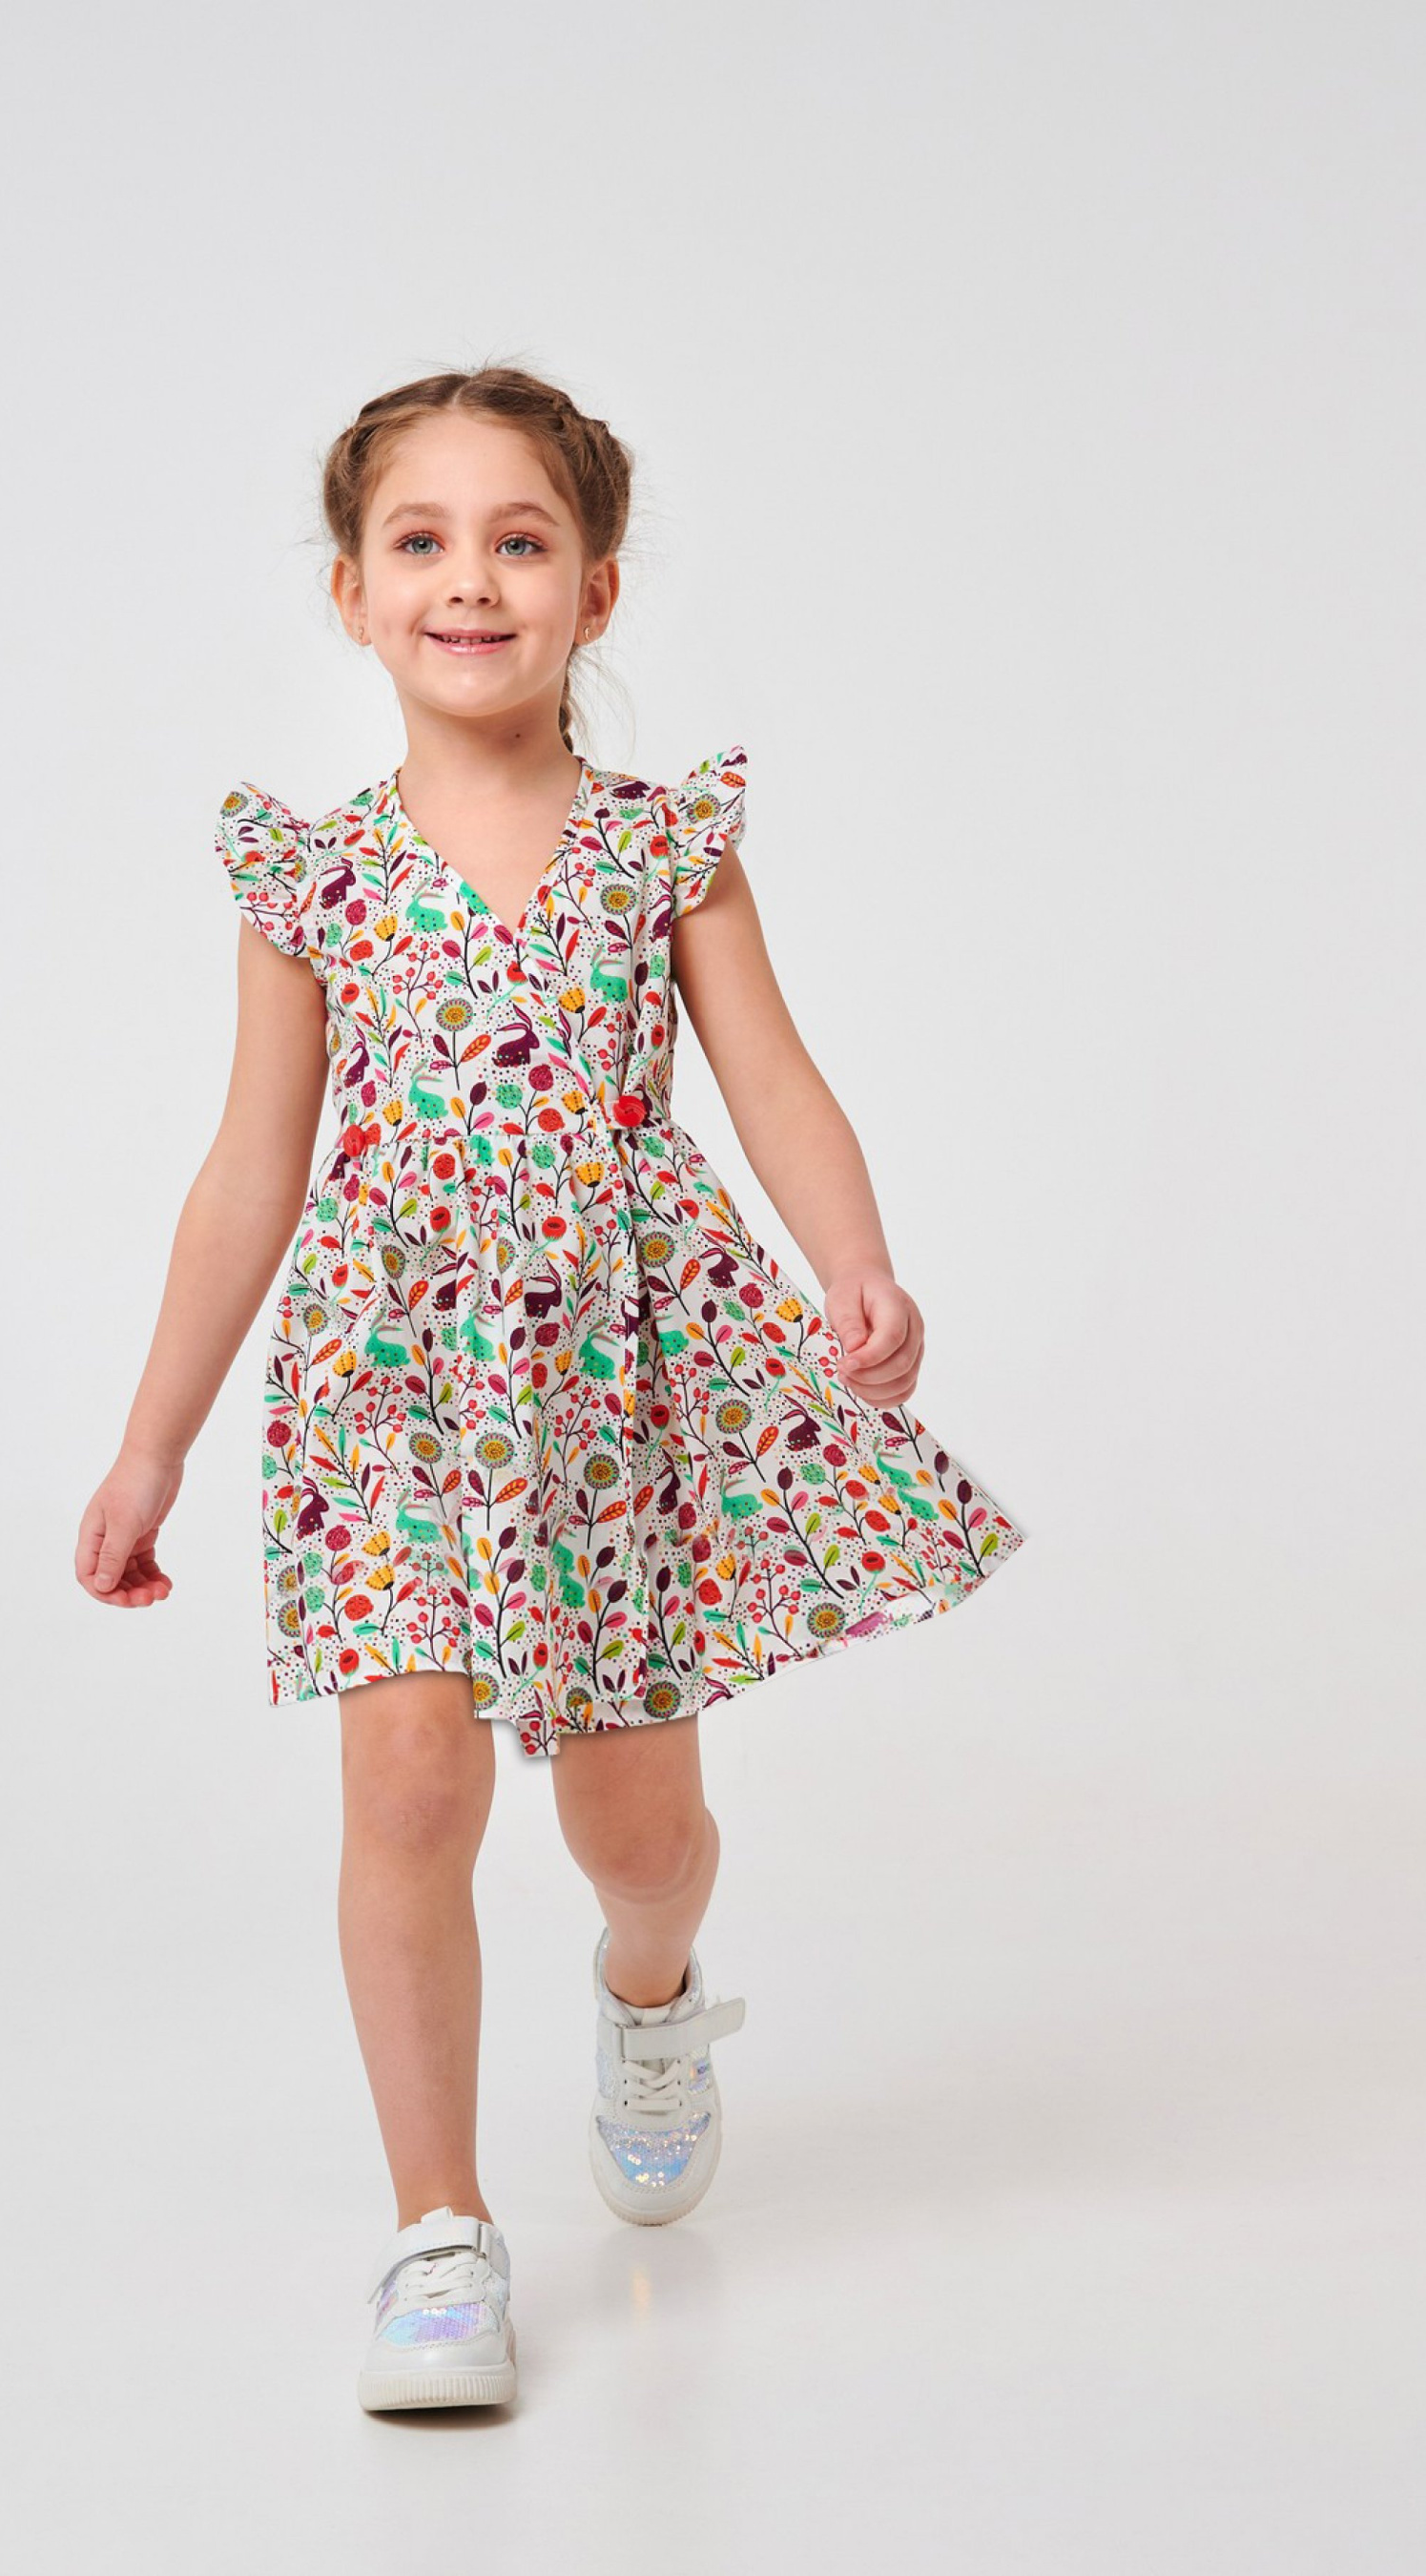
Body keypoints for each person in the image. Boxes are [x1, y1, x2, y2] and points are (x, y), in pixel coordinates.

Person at [73, 364, 1029, 2414]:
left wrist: (856, 1261)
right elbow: (247, 1169)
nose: (469, 581)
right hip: (389, 1382)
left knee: (637, 1828)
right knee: (409, 1784)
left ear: (593, 589)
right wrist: (153, 1442)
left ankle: (653, 1995)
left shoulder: (664, 848)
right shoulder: (310, 879)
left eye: (519, 542)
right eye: (418, 542)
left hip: (613, 1392)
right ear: (350, 593)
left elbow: (771, 1078)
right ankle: (438, 2232)